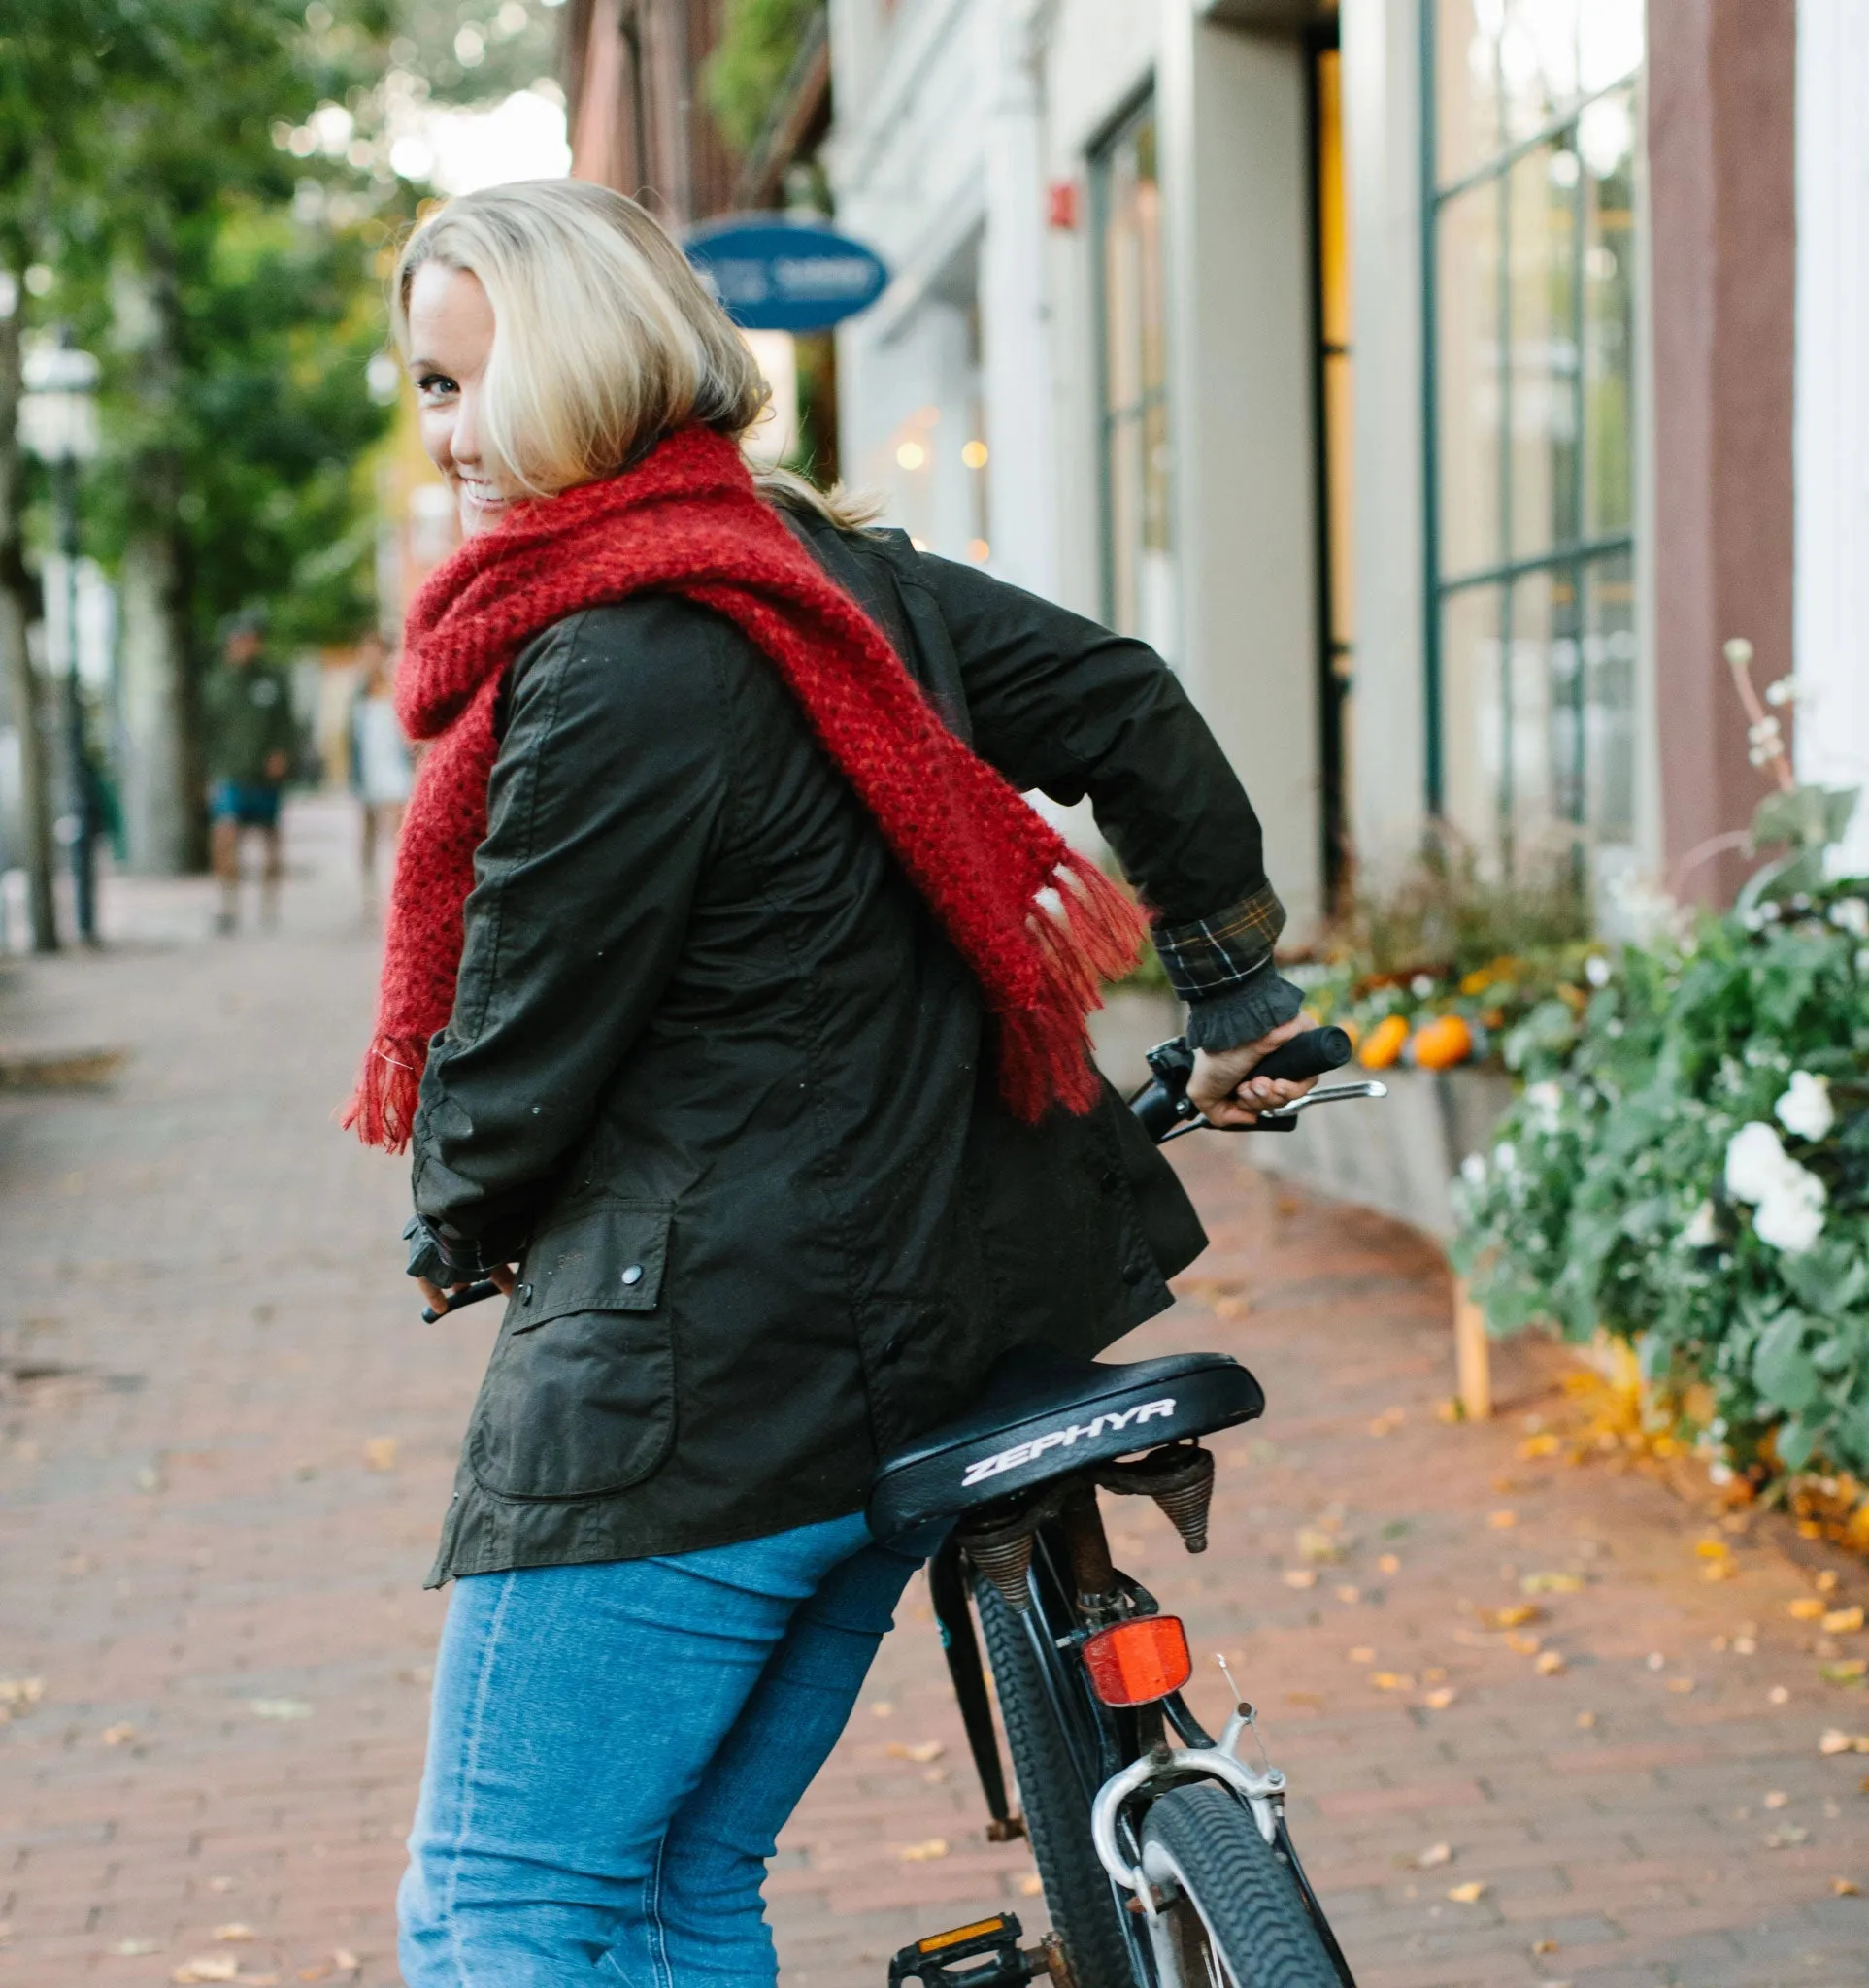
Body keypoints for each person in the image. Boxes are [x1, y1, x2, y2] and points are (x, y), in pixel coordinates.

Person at [345, 179, 1314, 1988]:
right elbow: (1124, 701)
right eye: (428, 386)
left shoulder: (616, 657)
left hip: (696, 1392)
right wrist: (1234, 981)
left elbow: (528, 1040)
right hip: (916, 1355)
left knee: (507, 1902)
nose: (456, 433)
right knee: (687, 1881)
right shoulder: (839, 583)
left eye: (486, 382)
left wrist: (455, 1215)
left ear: (605, 371)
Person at [205, 607, 298, 933]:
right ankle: (227, 903)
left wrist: (283, 754)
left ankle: (269, 905)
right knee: (225, 835)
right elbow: (206, 731)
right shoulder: (216, 683)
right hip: (230, 773)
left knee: (270, 839)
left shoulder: (273, 679)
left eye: (254, 639)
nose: (250, 645)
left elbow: (287, 723)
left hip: (266, 776)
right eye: (244, 639)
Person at [348, 630, 413, 916]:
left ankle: (400, 893)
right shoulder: (359, 693)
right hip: (368, 770)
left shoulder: (398, 690)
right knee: (368, 835)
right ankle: (368, 894)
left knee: (397, 833)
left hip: (396, 770)